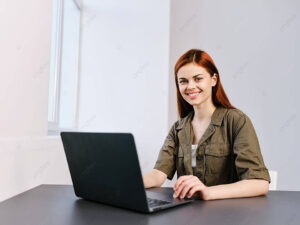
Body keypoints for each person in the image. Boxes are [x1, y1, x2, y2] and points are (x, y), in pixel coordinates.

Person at [142, 49, 270, 201]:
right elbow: (158, 175)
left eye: (197, 79)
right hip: (187, 215)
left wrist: (207, 192)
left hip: (228, 214)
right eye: (183, 81)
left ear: (213, 79)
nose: (190, 86)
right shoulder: (178, 129)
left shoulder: (236, 121)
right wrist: (126, 182)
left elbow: (259, 183)